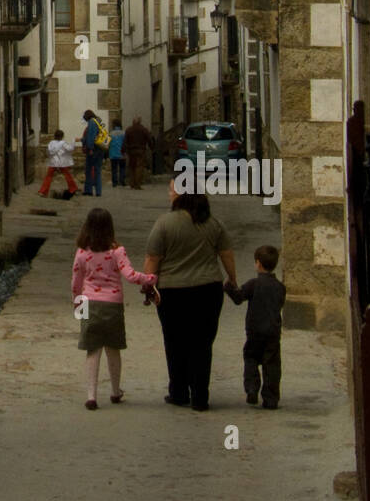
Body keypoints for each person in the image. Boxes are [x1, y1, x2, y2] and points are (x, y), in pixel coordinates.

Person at [143, 165, 237, 411]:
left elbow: (153, 259)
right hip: (208, 290)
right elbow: (226, 254)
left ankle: (178, 391)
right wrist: (232, 279)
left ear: (182, 193)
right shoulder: (213, 223)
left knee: (174, 342)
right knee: (202, 343)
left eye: (171, 189)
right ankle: (200, 396)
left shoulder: (164, 224)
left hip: (173, 292)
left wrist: (148, 286)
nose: (169, 193)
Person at [72, 207, 157, 410]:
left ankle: (91, 395)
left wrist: (77, 303)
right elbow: (129, 275)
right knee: (113, 349)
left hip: (89, 303)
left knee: (92, 350)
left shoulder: (82, 253)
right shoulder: (117, 251)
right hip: (113, 305)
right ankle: (115, 391)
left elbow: (76, 281)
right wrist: (149, 278)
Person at [224, 245, 286, 409]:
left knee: (251, 358)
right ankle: (271, 397)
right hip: (273, 330)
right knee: (271, 363)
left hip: (255, 330)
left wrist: (228, 287)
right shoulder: (280, 287)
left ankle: (252, 388)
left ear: (257, 263)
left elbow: (238, 298)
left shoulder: (254, 284)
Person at [38, 129, 78, 199]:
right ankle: (73, 188)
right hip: (62, 163)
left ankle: (43, 191)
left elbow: (49, 152)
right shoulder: (63, 143)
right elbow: (70, 149)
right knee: (67, 175)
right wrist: (73, 141)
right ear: (62, 136)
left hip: (53, 162)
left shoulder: (51, 143)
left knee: (48, 177)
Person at [79, 109, 108, 196]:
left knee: (88, 170)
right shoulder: (98, 121)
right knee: (98, 170)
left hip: (94, 150)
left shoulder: (91, 122)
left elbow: (91, 136)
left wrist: (90, 148)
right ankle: (98, 191)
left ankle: (88, 190)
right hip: (100, 149)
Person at [124, 115, 153, 190]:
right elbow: (149, 139)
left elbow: (125, 141)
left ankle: (132, 183)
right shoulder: (144, 129)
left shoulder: (128, 130)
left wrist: (124, 150)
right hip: (141, 150)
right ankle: (137, 184)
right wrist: (151, 147)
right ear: (140, 122)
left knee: (131, 167)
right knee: (139, 167)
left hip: (131, 151)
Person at [108, 119, 126, 187]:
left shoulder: (111, 133)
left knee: (114, 168)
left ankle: (114, 182)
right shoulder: (123, 133)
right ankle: (122, 181)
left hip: (113, 153)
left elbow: (107, 143)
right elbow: (125, 142)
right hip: (122, 153)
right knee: (122, 168)